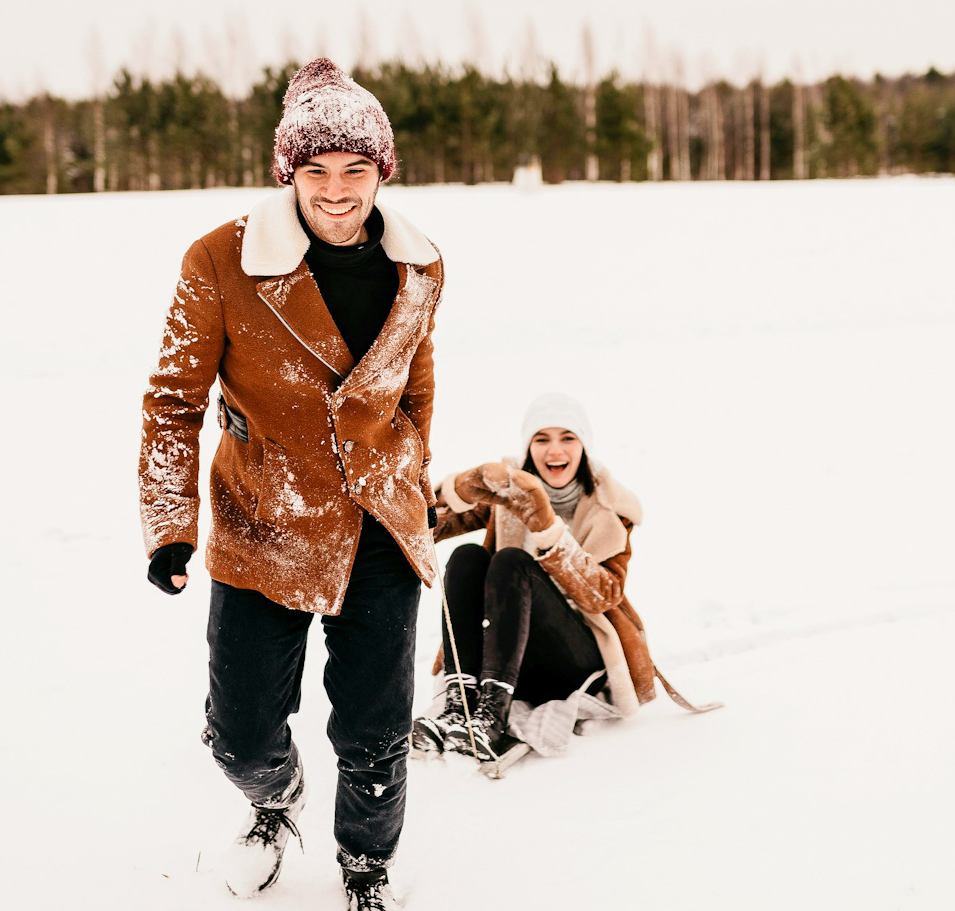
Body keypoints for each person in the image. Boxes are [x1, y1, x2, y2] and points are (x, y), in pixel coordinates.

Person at [138, 58, 441, 911]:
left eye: (355, 170)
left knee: (375, 733)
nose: (337, 191)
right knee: (237, 733)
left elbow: (415, 387)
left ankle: (366, 866)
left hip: (379, 526)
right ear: (288, 173)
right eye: (316, 171)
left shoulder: (421, 267)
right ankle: (275, 800)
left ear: (382, 171)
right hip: (259, 522)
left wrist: (408, 474)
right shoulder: (221, 261)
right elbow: (171, 402)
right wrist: (170, 522)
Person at [413, 393, 658, 766]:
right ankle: (459, 703)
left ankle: (493, 714)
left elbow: (603, 596)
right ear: (529, 446)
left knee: (512, 561)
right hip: (509, 654)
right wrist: (457, 489)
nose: (554, 450)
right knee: (467, 557)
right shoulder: (513, 491)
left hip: (573, 658)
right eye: (542, 439)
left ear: (583, 447)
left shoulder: (609, 511)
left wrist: (547, 530)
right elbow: (427, 527)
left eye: (567, 438)